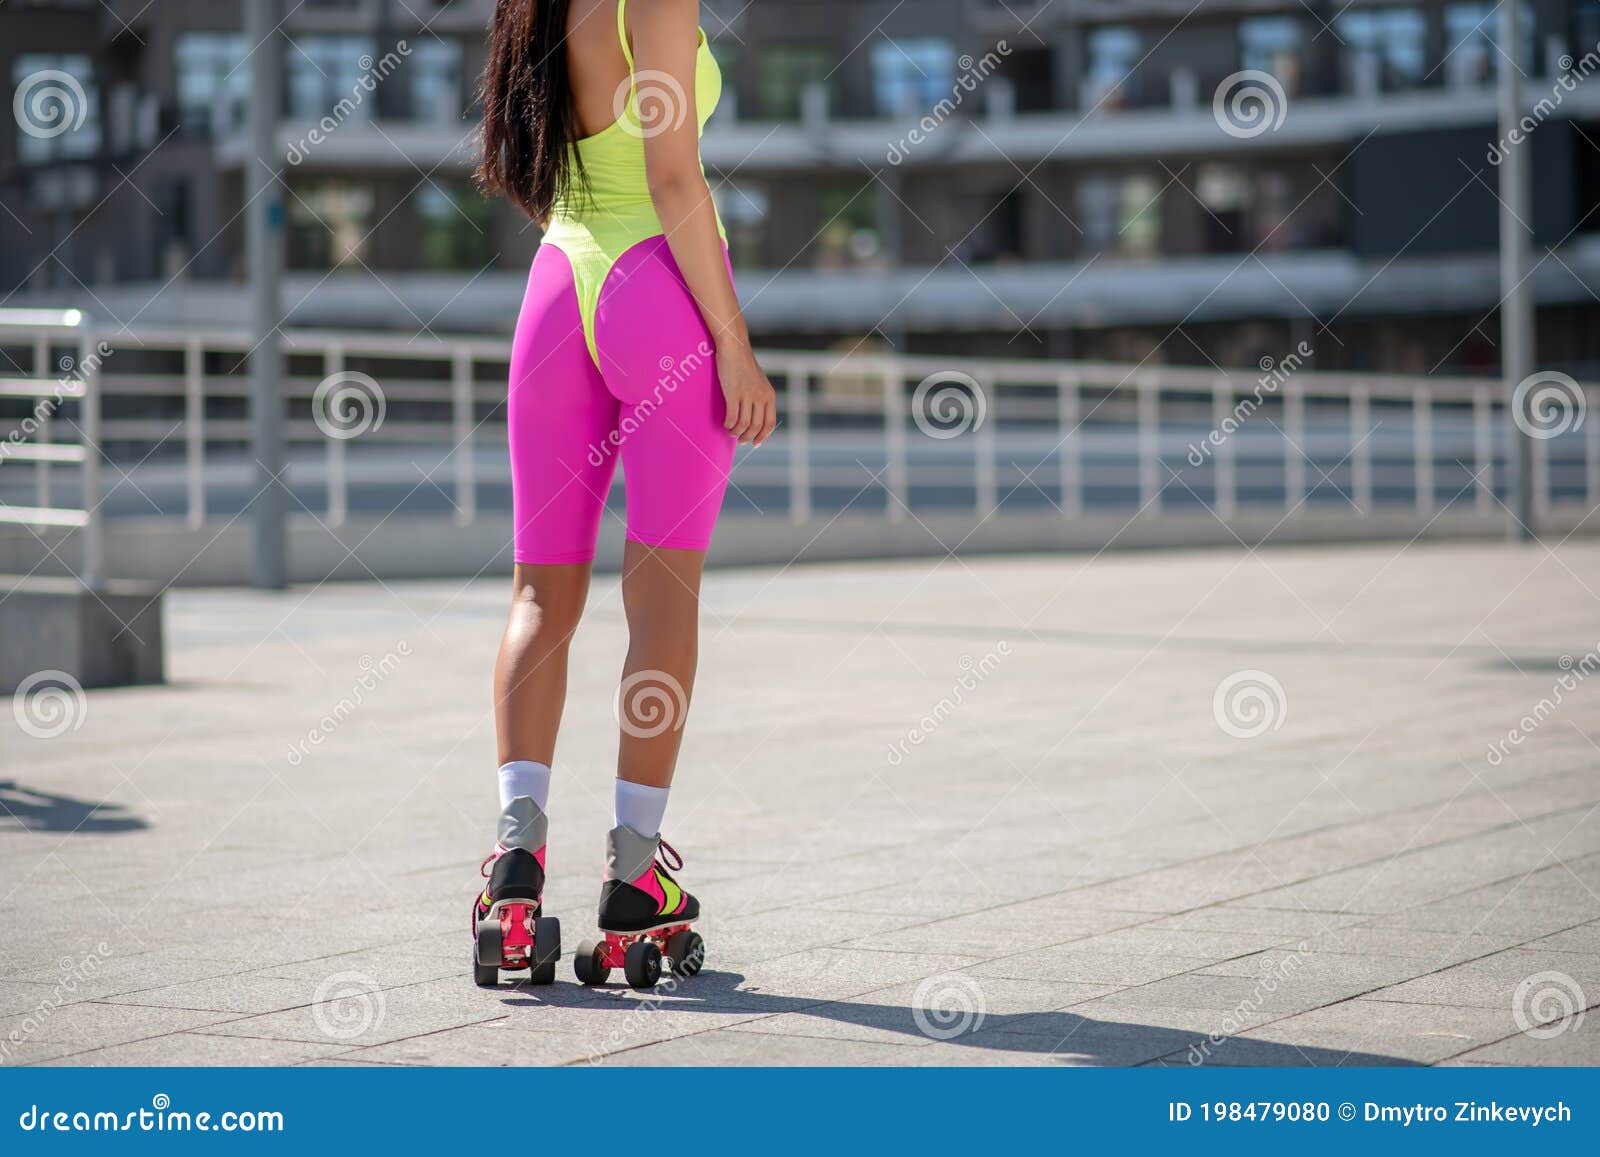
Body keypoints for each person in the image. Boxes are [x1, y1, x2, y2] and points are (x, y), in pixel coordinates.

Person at [468, 0, 775, 985]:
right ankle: (637, 873)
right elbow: (673, 173)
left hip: (558, 288)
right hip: (659, 291)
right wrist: (733, 341)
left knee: (536, 595)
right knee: (660, 592)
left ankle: (514, 877)